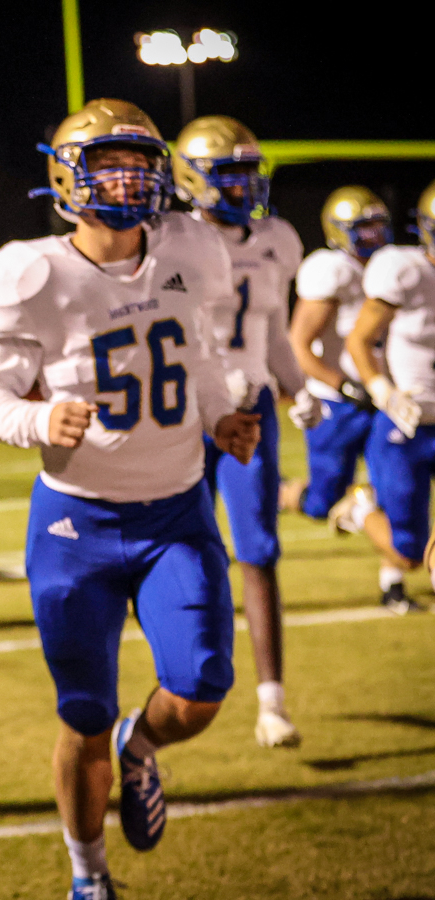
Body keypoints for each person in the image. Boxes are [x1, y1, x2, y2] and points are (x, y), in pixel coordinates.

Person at [0, 99, 260, 900]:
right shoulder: (30, 272)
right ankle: (89, 873)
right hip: (77, 521)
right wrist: (35, 416)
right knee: (83, 711)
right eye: (107, 164)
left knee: (201, 689)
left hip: (177, 510)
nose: (127, 179)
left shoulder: (191, 249)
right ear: (67, 176)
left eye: (138, 162)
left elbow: (199, 355)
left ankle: (143, 744)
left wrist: (220, 415)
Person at [171, 115, 318, 748]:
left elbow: (276, 333)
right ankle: (184, 681)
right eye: (228, 174)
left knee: (258, 551)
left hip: (252, 406)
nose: (243, 186)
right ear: (193, 180)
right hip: (181, 411)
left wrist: (299, 386)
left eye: (247, 173)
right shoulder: (168, 238)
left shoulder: (276, 239)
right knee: (182, 548)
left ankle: (271, 700)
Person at [338, 178, 435, 614]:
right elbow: (359, 340)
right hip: (406, 424)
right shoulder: (406, 270)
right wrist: (384, 392)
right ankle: (360, 509)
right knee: (409, 554)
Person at [283, 187, 393, 522]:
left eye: (377, 225)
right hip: (337, 400)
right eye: (363, 227)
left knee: (396, 486)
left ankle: (392, 568)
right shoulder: (332, 269)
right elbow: (298, 344)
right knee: (322, 503)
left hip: (380, 394)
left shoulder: (392, 266)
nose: (372, 235)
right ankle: (282, 491)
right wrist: (344, 385)